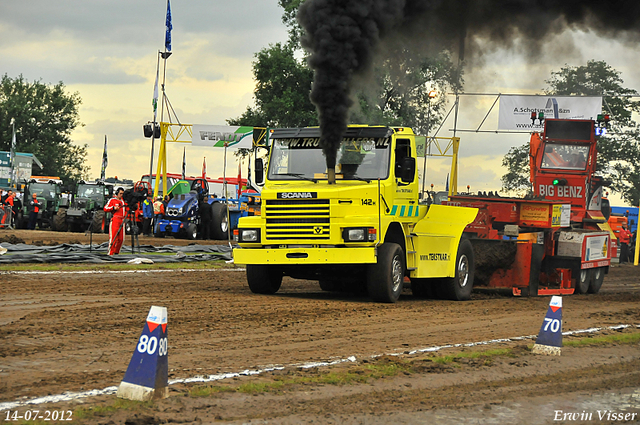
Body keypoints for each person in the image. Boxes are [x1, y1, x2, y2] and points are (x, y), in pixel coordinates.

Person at [104, 187, 127, 255]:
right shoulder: (112, 200)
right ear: (117, 193)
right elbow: (105, 208)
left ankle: (117, 252)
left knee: (121, 239)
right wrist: (113, 208)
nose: (121, 195)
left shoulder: (123, 201)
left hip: (122, 220)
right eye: (120, 193)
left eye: (122, 194)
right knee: (113, 237)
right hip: (115, 220)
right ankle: (110, 252)